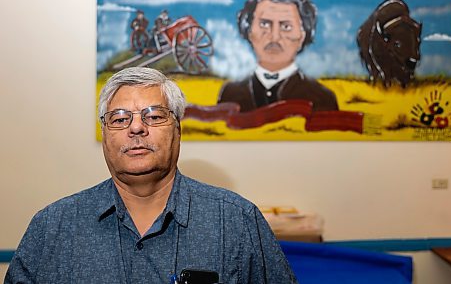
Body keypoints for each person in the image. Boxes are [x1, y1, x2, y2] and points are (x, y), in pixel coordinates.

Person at [5, 67, 297, 284]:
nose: (136, 129)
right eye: (119, 119)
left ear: (178, 129)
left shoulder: (237, 220)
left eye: (154, 116)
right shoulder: (52, 227)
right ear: (106, 135)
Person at [218, 0, 339, 112]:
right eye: (264, 24)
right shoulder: (230, 95)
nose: (274, 37)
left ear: (302, 36)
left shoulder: (322, 99)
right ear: (249, 31)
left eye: (286, 26)